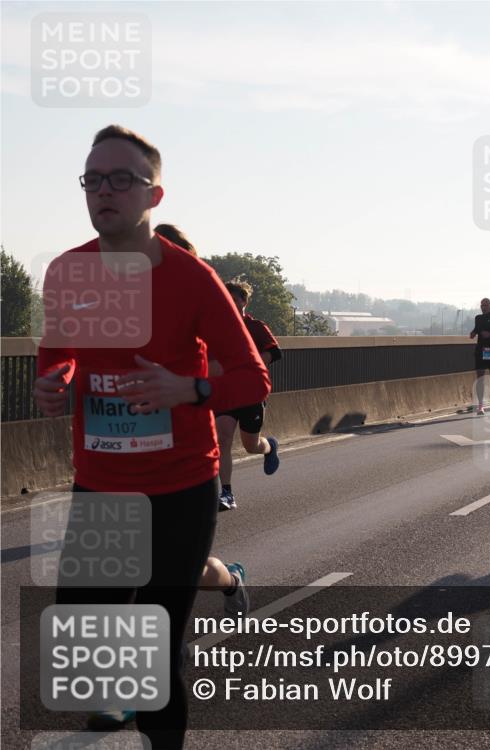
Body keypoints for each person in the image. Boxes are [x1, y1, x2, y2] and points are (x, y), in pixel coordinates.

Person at [35, 125, 270, 748]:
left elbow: (252, 378)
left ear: (153, 196)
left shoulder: (193, 279)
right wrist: (53, 381)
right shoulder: (67, 272)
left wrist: (189, 390)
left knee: (158, 644)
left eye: (120, 179)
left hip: (181, 487)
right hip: (103, 486)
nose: (103, 191)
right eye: (92, 179)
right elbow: (56, 353)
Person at [153, 224, 251, 616]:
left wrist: (192, 388)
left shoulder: (204, 315)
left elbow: (248, 378)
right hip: (127, 464)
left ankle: (229, 580)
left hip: (186, 461)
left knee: (183, 568)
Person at [215, 279, 281, 510]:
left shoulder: (256, 327)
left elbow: (274, 353)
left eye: (234, 300)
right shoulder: (217, 328)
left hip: (252, 393)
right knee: (222, 439)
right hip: (226, 393)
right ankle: (227, 493)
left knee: (250, 446)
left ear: (244, 301)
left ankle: (270, 447)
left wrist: (247, 365)